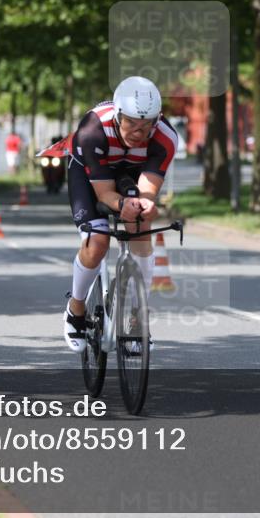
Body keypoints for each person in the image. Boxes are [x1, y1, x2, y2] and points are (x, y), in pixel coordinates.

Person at [62, 76, 179, 353]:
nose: (138, 133)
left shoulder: (165, 138)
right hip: (92, 176)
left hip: (133, 174)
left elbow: (147, 190)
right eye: (131, 124)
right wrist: (121, 204)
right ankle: (75, 309)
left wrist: (145, 204)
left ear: (157, 120)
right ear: (117, 115)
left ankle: (138, 319)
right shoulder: (92, 130)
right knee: (98, 241)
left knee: (140, 221)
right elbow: (104, 194)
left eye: (146, 126)